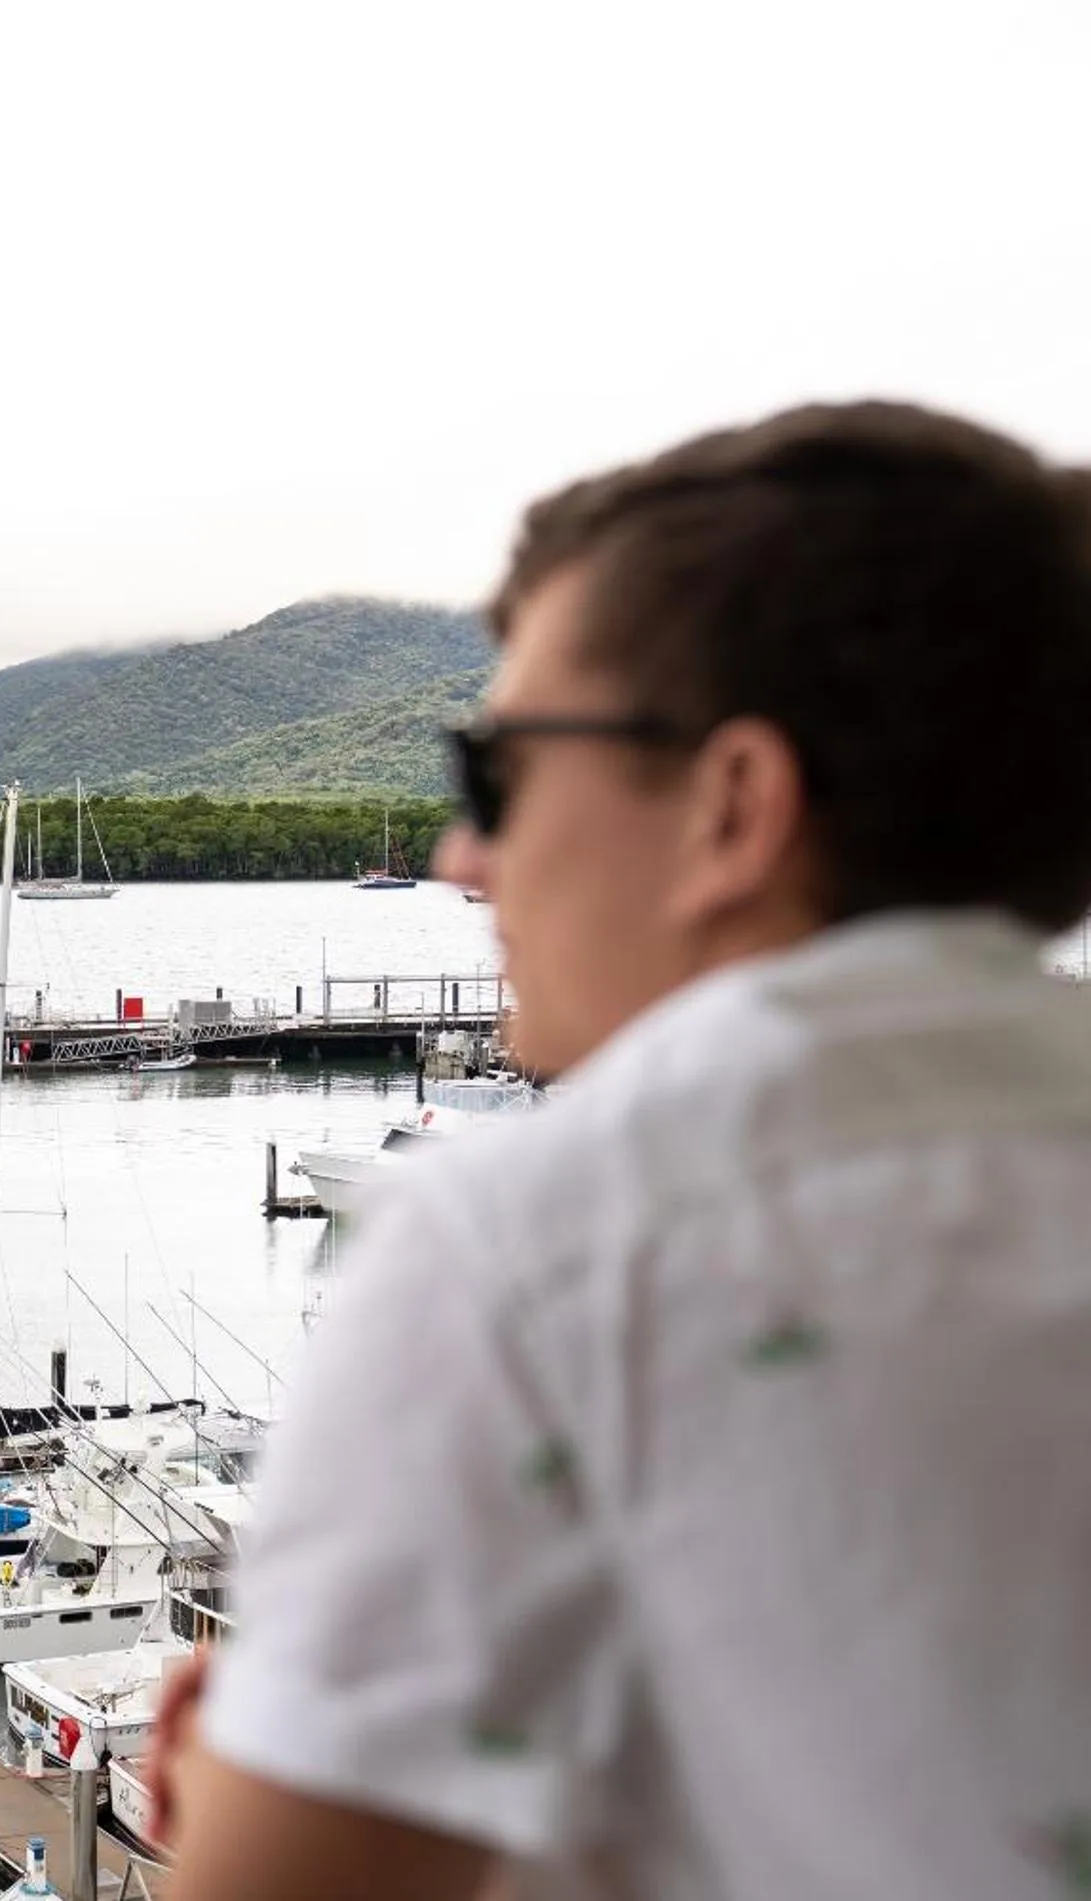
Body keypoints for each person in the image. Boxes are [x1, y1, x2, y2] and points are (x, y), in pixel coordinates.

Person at [143, 402, 1091, 1899]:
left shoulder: (541, 1245)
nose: (463, 862)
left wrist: (231, 1813)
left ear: (732, 805)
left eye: (495, 773)